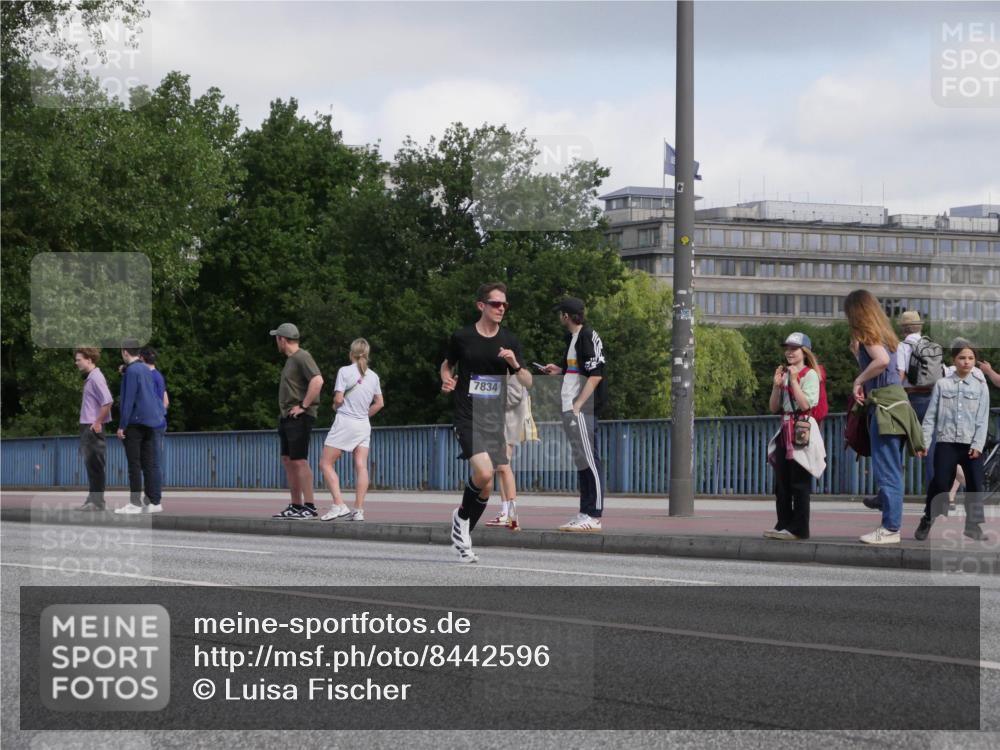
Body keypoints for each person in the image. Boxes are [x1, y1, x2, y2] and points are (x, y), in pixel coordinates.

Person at [441, 282, 532, 562]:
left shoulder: (509, 340)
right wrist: (446, 379)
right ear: (481, 305)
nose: (501, 308)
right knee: (482, 473)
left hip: (494, 417)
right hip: (467, 413)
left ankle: (463, 533)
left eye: (504, 304)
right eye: (495, 304)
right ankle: (461, 519)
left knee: (488, 483)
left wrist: (514, 364)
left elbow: (528, 381)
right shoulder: (462, 337)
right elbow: (447, 364)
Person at [844, 290, 924, 545]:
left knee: (888, 470)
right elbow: (887, 366)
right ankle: (884, 500)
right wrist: (857, 354)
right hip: (897, 404)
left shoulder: (867, 332)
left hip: (885, 407)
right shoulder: (885, 335)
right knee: (892, 467)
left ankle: (890, 527)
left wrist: (858, 380)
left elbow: (880, 361)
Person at [542, 297, 608, 532]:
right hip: (570, 407)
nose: (559, 317)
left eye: (560, 313)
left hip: (581, 409)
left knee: (590, 460)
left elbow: (596, 374)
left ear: (566, 316)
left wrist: (579, 404)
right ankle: (585, 511)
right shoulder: (573, 339)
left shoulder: (587, 335)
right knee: (582, 461)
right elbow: (578, 370)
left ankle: (595, 515)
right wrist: (560, 370)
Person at [915, 340, 991, 541]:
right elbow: (930, 416)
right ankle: (928, 518)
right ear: (953, 360)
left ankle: (973, 526)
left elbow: (983, 418)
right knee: (940, 482)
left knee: (975, 484)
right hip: (946, 442)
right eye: (962, 357)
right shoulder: (942, 384)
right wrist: (924, 442)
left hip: (971, 444)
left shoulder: (981, 386)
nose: (966, 362)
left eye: (971, 358)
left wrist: (978, 444)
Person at [764, 332, 825, 541]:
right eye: (787, 349)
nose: (789, 352)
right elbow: (774, 407)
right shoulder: (784, 374)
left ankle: (799, 528)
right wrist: (776, 385)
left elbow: (806, 404)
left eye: (794, 349)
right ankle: (783, 523)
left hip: (801, 429)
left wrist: (794, 381)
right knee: (782, 481)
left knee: (799, 481)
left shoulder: (811, 374)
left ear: (804, 352)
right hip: (785, 428)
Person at [320, 338, 384, 522]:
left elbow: (339, 399)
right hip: (363, 424)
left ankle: (339, 505)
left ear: (351, 353)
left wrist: (335, 405)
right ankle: (358, 510)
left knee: (325, 463)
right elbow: (379, 403)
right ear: (367, 354)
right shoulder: (373, 376)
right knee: (361, 466)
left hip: (345, 422)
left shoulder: (344, 371)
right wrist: (363, 415)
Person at [270, 323, 324, 520]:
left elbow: (317, 380)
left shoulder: (302, 356)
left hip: (299, 416)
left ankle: (309, 506)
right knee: (288, 460)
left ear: (282, 339)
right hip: (287, 416)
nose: (276, 343)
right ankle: (295, 505)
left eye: (277, 339)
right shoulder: (291, 360)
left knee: (300, 460)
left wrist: (303, 405)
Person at [115, 339, 166, 514]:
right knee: (149, 464)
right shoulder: (146, 369)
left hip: (135, 423)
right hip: (151, 423)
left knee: (134, 465)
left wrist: (122, 425)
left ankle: (135, 503)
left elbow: (128, 400)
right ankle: (154, 502)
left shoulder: (132, 371)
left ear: (125, 352)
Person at [486, 373, 538, 529]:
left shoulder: (511, 368)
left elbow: (514, 396)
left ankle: (511, 514)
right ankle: (506, 512)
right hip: (502, 421)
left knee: (503, 465)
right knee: (501, 467)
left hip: (509, 421)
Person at [73, 348, 114, 511]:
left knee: (95, 465)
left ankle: (98, 502)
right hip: (87, 425)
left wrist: (97, 422)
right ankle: (92, 499)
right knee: (91, 465)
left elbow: (108, 401)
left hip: (92, 427)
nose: (76, 363)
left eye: (79, 359)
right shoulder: (91, 378)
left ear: (89, 360)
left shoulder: (96, 378)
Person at [139, 346, 169, 493]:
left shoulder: (148, 377)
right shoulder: (159, 376)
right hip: (159, 423)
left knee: (151, 463)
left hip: (151, 425)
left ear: (142, 358)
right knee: (153, 462)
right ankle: (152, 495)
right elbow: (166, 402)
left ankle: (153, 496)